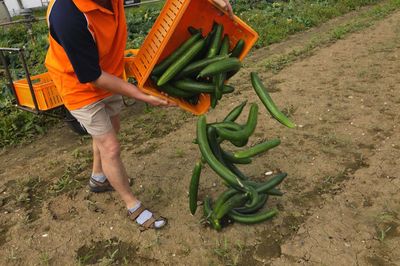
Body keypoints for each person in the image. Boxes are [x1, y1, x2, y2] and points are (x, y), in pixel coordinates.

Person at [44, 0, 233, 230]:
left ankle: (98, 178)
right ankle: (132, 205)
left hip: (111, 72)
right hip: (78, 84)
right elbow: (91, 75)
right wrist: (141, 95)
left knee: (109, 131)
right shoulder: (67, 14)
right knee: (111, 147)